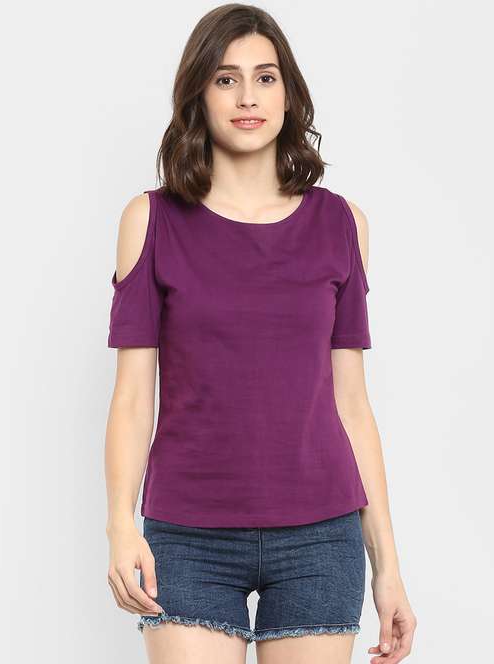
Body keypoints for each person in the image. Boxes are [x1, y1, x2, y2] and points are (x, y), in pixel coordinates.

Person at [104, 4, 417, 664]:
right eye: (226, 79)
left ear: (288, 94)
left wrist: (388, 566)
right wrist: (119, 527)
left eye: (265, 77)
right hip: (187, 535)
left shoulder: (342, 224)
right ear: (199, 95)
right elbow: (133, 399)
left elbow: (352, 404)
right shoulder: (151, 221)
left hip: (321, 536)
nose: (248, 97)